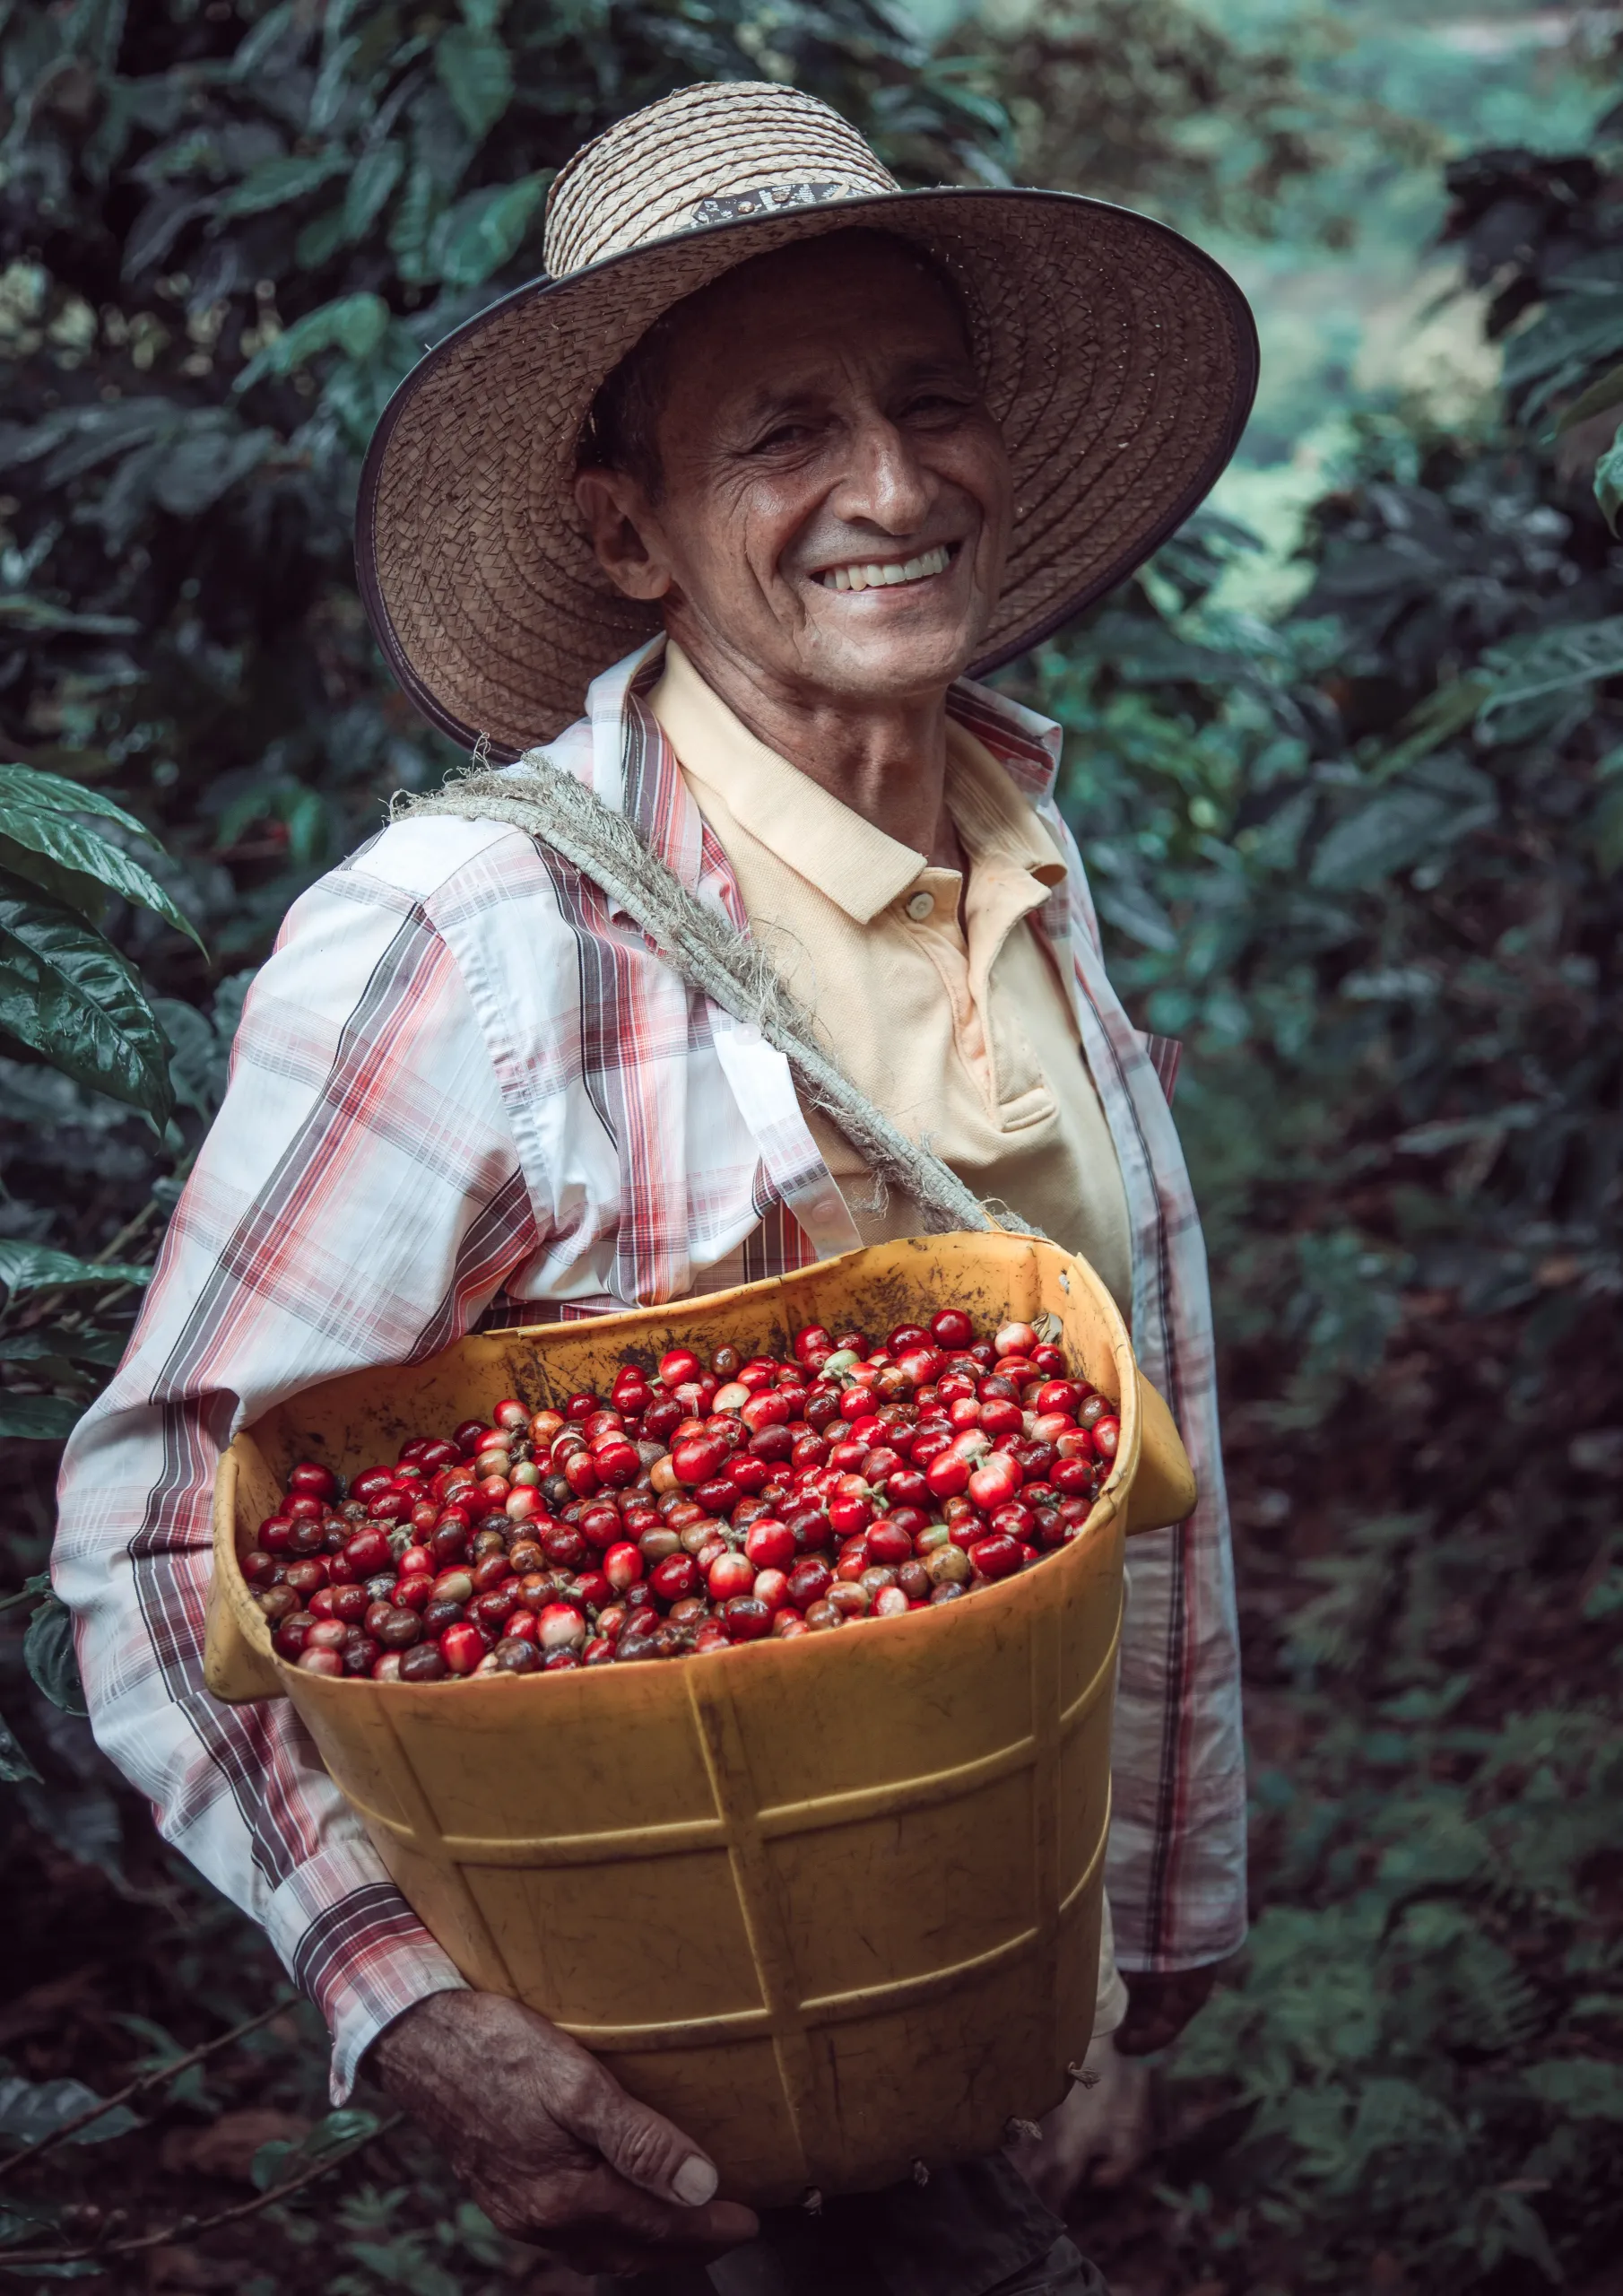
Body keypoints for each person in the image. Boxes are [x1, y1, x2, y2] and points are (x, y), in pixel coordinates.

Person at [54, 80, 1255, 2296]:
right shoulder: (469, 938)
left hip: (966, 2030)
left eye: (926, 405)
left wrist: (1107, 1975)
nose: (889, 489)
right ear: (628, 529)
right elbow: (152, 1524)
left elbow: (1105, 1467)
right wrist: (406, 2007)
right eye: (780, 432)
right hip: (674, 2113)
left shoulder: (1013, 853)